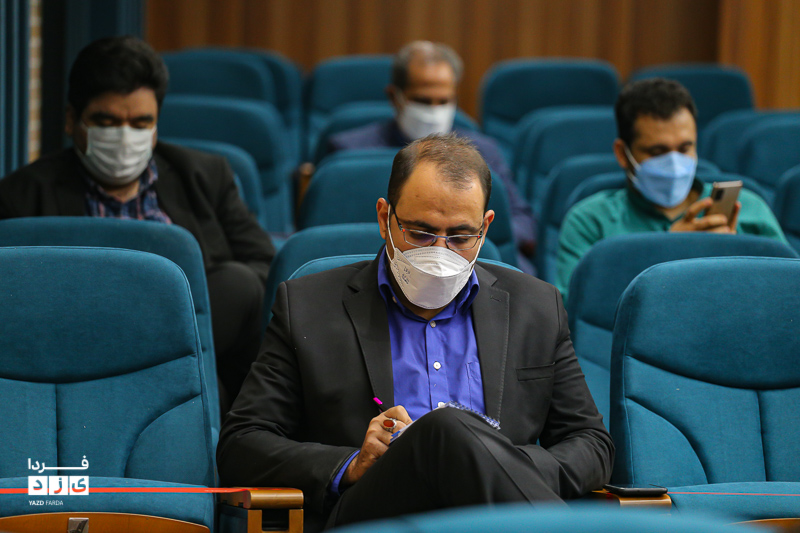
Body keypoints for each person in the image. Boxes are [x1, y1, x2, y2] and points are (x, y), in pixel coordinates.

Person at [218, 134, 614, 532]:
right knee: (446, 427)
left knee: (455, 434)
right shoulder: (309, 306)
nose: (439, 252)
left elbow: (592, 443)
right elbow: (242, 443)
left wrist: (491, 463)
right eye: (420, 233)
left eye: (460, 237)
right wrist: (352, 464)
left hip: (488, 520)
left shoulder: (536, 306)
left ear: (485, 227)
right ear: (384, 219)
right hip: (374, 513)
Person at [0, 36, 275, 411]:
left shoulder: (205, 176)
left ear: (157, 125)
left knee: (238, 284)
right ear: (71, 120)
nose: (125, 137)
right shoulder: (21, 196)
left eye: (140, 123)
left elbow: (264, 267)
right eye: (107, 122)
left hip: (186, 358)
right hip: (78, 361)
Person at [555, 78, 787, 303]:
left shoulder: (750, 209)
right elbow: (575, 314)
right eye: (657, 152)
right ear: (622, 154)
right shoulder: (590, 221)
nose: (675, 164)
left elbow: (789, 295)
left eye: (685, 149)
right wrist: (669, 250)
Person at [328, 41, 537, 270]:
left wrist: (465, 235)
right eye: (423, 101)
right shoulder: (349, 151)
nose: (434, 111)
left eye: (444, 101)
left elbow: (523, 221)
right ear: (394, 96)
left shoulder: (483, 151)